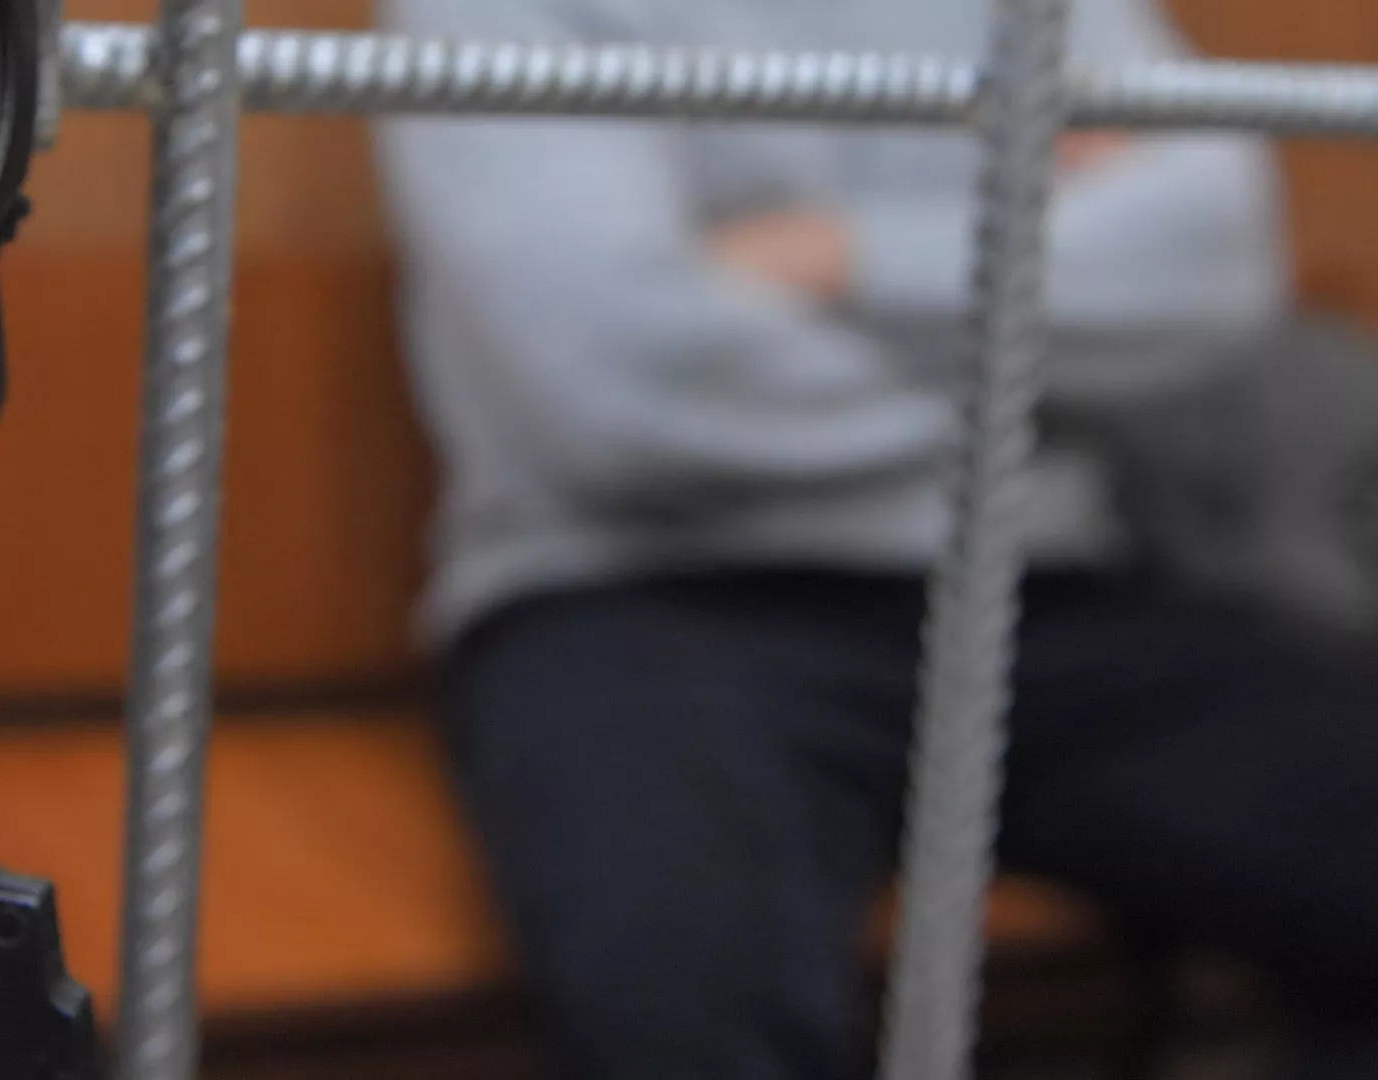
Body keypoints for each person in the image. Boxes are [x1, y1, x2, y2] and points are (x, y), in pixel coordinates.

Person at [373, 1, 1378, 1077]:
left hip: (1047, 590)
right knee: (683, 1002)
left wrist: (830, 257)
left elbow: (1214, 267)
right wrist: (1034, 388)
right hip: (640, 594)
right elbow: (617, 388)